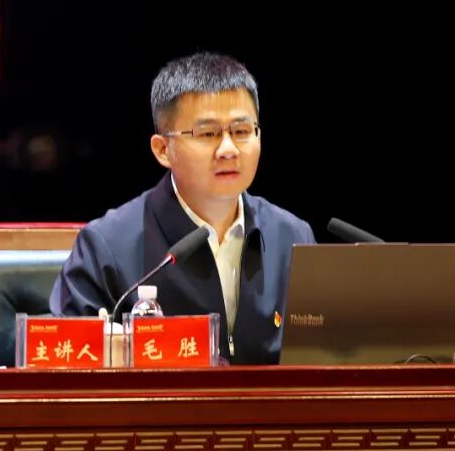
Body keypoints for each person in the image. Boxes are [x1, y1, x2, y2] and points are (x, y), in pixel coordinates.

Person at [49, 52, 315, 364]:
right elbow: (63, 362)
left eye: (242, 132)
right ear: (163, 149)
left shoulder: (292, 237)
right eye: (208, 134)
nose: (228, 149)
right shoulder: (107, 246)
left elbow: (320, 361)